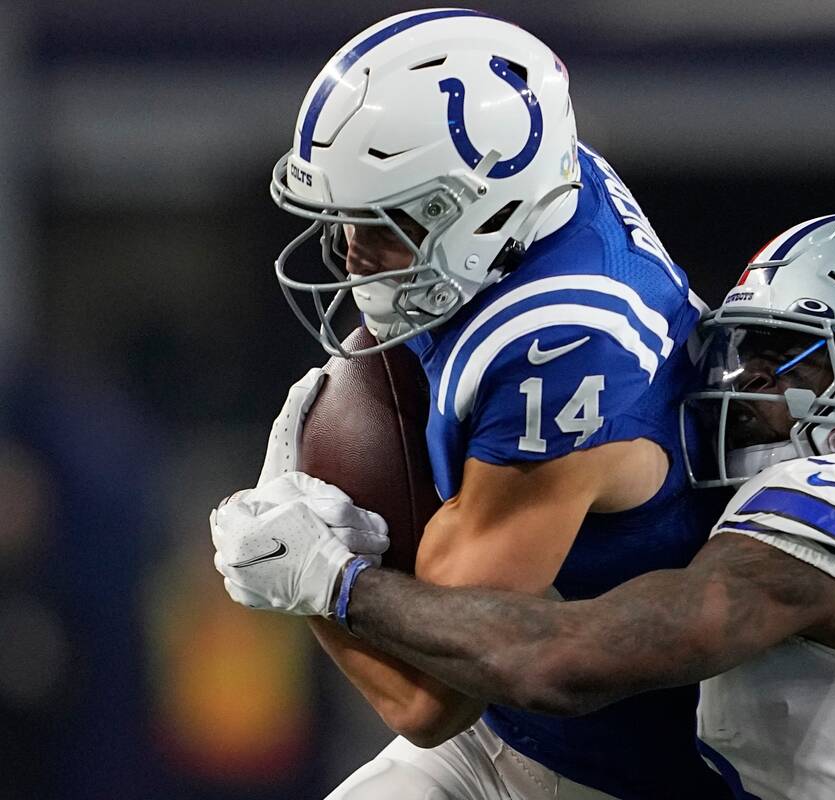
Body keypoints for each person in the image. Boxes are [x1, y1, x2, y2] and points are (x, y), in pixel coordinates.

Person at [214, 214, 835, 800]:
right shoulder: (751, 518)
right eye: (744, 348)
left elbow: (567, 663)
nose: (740, 383)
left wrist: (341, 581)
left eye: (791, 362)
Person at [217, 9, 731, 800]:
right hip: (522, 727)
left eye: (383, 222)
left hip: (612, 768)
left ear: (485, 211)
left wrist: (313, 573)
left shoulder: (560, 355)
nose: (351, 251)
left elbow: (429, 700)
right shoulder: (540, 189)